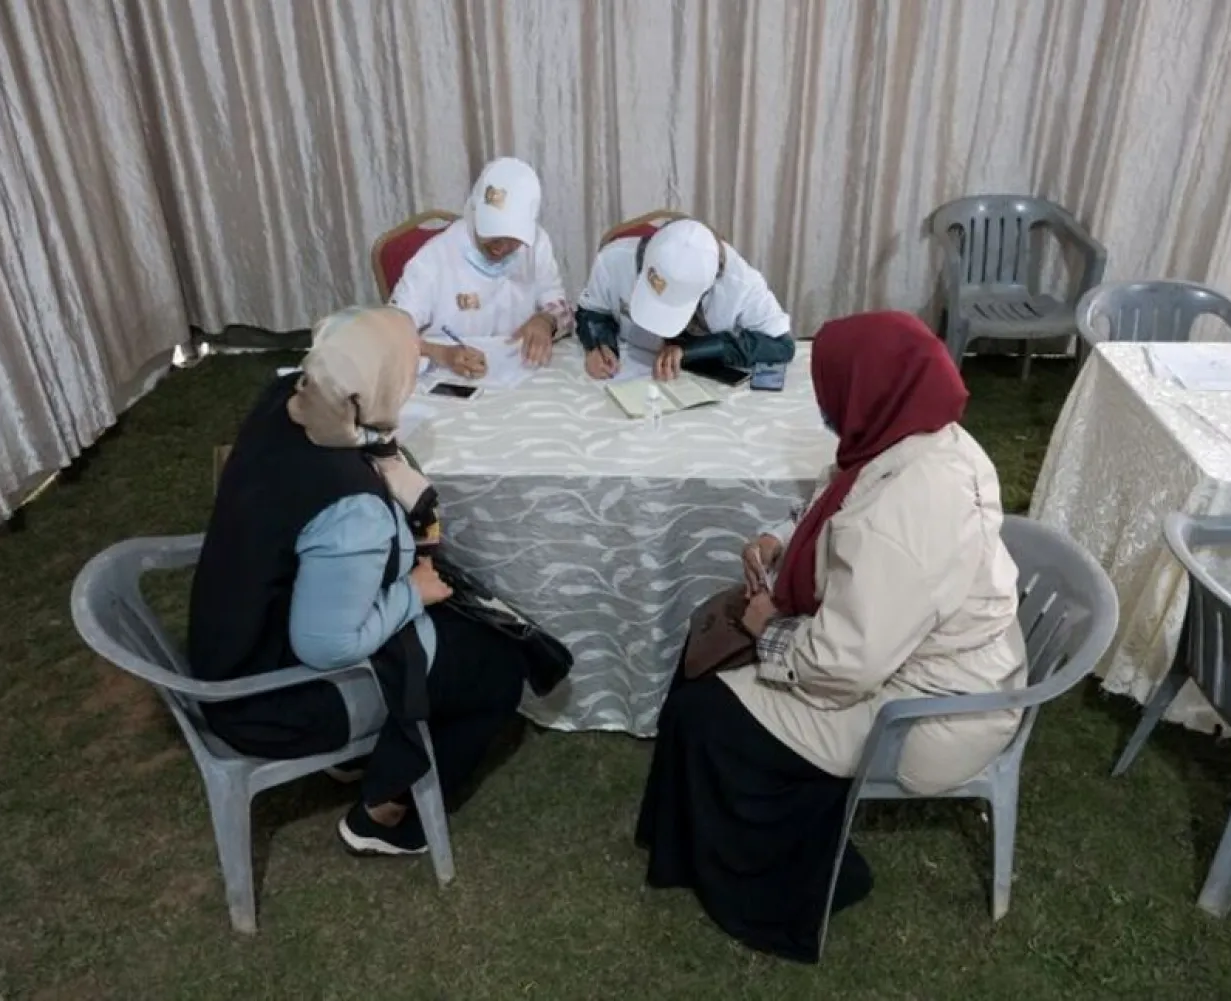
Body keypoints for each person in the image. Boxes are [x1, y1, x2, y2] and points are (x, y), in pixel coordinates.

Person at [635, 311, 1027, 962]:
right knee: (710, 632)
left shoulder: (909, 506)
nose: (827, 405)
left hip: (927, 706)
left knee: (707, 715)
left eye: (832, 389)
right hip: (904, 654)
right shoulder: (917, 436)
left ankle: (780, 889)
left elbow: (847, 662)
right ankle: (695, 840)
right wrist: (779, 542)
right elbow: (839, 508)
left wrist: (769, 631)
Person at [188, 306, 536, 856]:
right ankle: (385, 812)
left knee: (459, 634)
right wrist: (413, 592)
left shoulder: (286, 399)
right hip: (273, 702)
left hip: (233, 641)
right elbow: (327, 647)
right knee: (497, 665)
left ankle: (357, 761)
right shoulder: (353, 510)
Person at [389, 157, 571, 379]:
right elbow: (392, 331)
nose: (501, 248)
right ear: (474, 214)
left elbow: (562, 307)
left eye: (512, 239)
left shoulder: (536, 246)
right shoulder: (433, 259)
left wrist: (546, 321)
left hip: (519, 374)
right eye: (493, 236)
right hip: (452, 377)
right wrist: (443, 354)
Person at [576, 217, 795, 381]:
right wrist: (598, 344)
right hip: (629, 371)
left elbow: (781, 345)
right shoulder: (614, 259)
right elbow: (593, 310)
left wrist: (693, 351)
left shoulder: (740, 282)